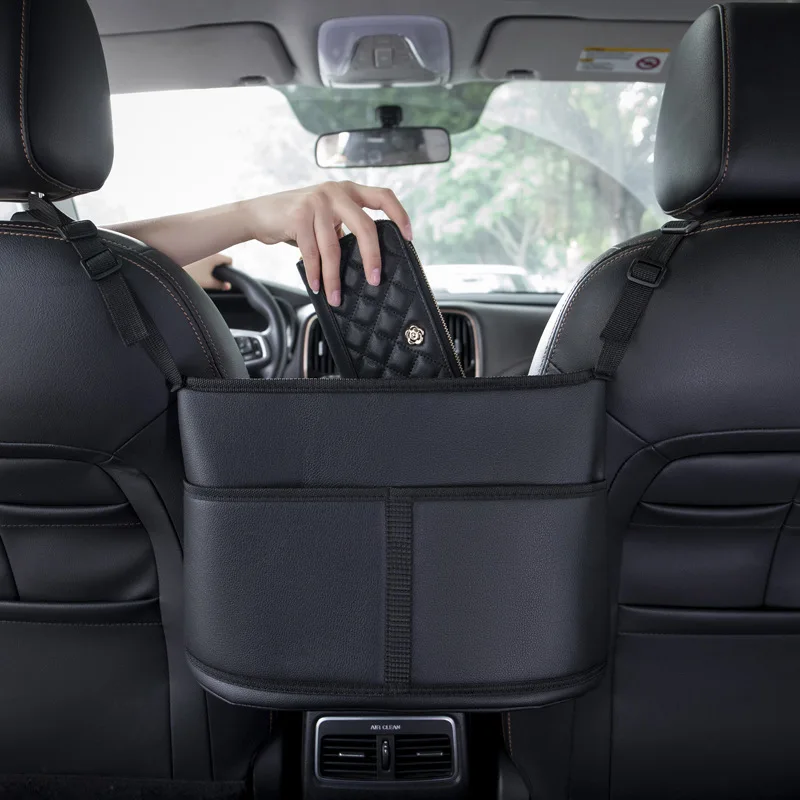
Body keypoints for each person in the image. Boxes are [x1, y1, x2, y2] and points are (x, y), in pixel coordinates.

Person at [109, 181, 413, 307]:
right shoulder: (82, 278)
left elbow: (96, 260)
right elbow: (91, 259)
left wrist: (177, 271)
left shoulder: (81, 287)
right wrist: (249, 217)